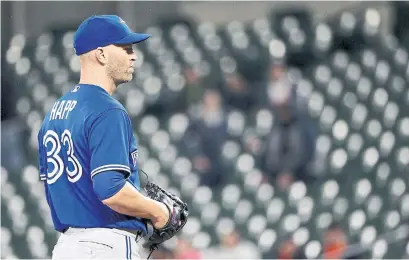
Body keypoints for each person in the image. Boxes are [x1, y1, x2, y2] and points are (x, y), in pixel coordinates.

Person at [37, 15, 171, 259]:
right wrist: (159, 212)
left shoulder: (54, 113)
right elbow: (110, 189)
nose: (134, 56)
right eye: (126, 48)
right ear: (100, 54)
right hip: (105, 246)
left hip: (67, 246)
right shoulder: (107, 109)